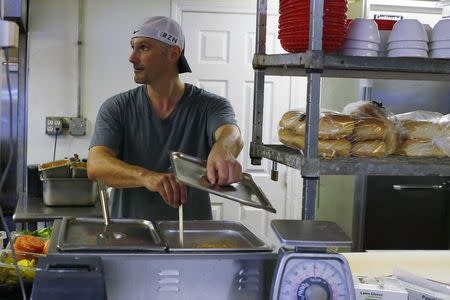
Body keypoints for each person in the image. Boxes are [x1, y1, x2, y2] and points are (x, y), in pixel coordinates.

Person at [87, 16, 243, 221]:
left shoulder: (210, 106)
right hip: (130, 235)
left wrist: (223, 147)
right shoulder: (117, 107)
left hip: (193, 238)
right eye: (133, 47)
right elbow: (96, 165)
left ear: (173, 53)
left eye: (143, 48)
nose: (132, 57)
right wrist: (147, 177)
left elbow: (231, 134)